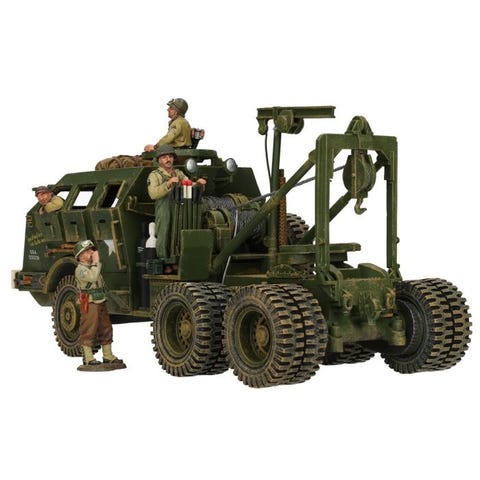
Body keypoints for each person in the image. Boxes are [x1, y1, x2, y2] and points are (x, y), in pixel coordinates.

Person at [147, 145, 206, 273]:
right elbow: (153, 194)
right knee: (164, 232)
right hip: (164, 207)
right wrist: (168, 184)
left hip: (179, 206)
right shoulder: (155, 175)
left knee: (178, 231)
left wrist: (198, 184)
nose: (168, 159)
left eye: (170, 156)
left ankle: (176, 260)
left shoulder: (178, 173)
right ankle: (164, 261)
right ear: (159, 160)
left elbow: (188, 183)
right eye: (164, 157)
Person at [74, 239, 126, 371]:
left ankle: (108, 355)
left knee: (106, 328)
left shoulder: (93, 267)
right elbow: (92, 277)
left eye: (92, 250)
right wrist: (96, 262)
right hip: (90, 302)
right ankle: (88, 358)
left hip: (100, 300)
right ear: (81, 256)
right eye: (88, 251)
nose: (92, 252)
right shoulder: (81, 270)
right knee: (88, 329)